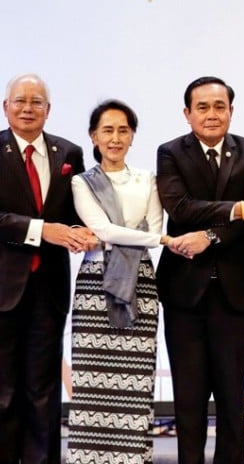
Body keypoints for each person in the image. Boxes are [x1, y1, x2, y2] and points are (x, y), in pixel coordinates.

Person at [66, 100, 205, 464]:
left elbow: (155, 227)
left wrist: (137, 236)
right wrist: (145, 236)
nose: (115, 138)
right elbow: (101, 229)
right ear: (93, 136)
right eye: (107, 130)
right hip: (95, 286)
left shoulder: (149, 180)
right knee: (93, 386)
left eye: (123, 130)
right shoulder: (82, 182)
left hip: (141, 284)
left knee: (135, 384)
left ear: (132, 136)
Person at [156, 76, 244, 464]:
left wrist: (210, 234)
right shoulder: (170, 152)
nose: (212, 115)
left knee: (231, 398)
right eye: (203, 107)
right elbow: (180, 207)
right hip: (183, 289)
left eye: (219, 106)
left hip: (236, 290)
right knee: (188, 399)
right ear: (187, 113)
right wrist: (237, 209)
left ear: (231, 110)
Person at [0, 74, 95, 464]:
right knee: (3, 390)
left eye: (36, 101)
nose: (27, 108)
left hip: (50, 289)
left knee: (44, 389)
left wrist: (84, 232)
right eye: (20, 100)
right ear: (6, 106)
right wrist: (43, 230)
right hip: (4, 289)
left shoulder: (68, 153)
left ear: (48, 109)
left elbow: (76, 213)